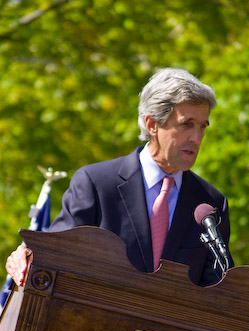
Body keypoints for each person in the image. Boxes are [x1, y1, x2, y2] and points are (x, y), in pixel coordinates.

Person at [6, 68, 234, 287]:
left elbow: (215, 286)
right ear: (152, 124)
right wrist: (27, 256)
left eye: (202, 127)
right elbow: (56, 256)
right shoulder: (96, 184)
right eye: (187, 124)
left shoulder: (210, 203)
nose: (197, 137)